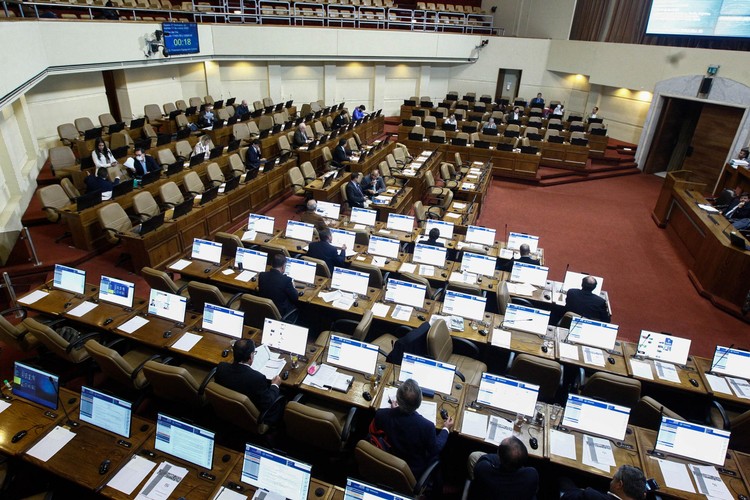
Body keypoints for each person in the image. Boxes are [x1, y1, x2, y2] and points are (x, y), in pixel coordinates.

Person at [368, 378, 453, 478]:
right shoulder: (427, 426)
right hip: (409, 473)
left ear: (398, 399)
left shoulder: (381, 414)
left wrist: (395, 410)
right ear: (420, 401)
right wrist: (446, 429)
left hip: (384, 462)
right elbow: (435, 449)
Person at [214, 339, 284, 424]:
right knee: (282, 398)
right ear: (251, 356)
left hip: (226, 410)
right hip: (250, 418)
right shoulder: (257, 378)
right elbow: (267, 403)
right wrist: (275, 385)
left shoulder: (221, 367)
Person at [467, 436, 539, 500]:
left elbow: (484, 458)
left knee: (474, 456)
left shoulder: (483, 469)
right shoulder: (532, 475)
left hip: (489, 494)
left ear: (498, 455)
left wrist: (501, 455)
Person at [561, 464, 646, 500]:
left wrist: (582, 490)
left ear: (619, 485)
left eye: (613, 479)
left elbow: (567, 497)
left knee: (563, 478)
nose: (611, 482)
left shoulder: (590, 496)